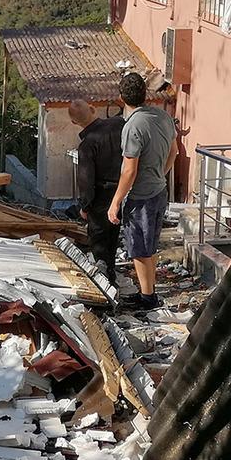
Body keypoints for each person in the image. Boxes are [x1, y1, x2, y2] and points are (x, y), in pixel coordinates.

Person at [107, 72, 178, 311]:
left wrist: (115, 202)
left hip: (142, 196)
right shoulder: (163, 117)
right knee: (149, 246)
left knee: (139, 248)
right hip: (159, 190)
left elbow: (129, 171)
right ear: (145, 94)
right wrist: (161, 172)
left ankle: (148, 298)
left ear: (121, 98)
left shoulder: (133, 126)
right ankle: (148, 291)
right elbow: (174, 152)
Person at [68, 99, 125, 282]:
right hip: (121, 190)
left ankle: (105, 281)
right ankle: (111, 273)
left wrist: (85, 206)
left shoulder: (87, 145)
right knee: (113, 237)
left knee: (100, 242)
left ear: (74, 122)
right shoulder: (118, 125)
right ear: (93, 109)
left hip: (100, 195)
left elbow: (86, 180)